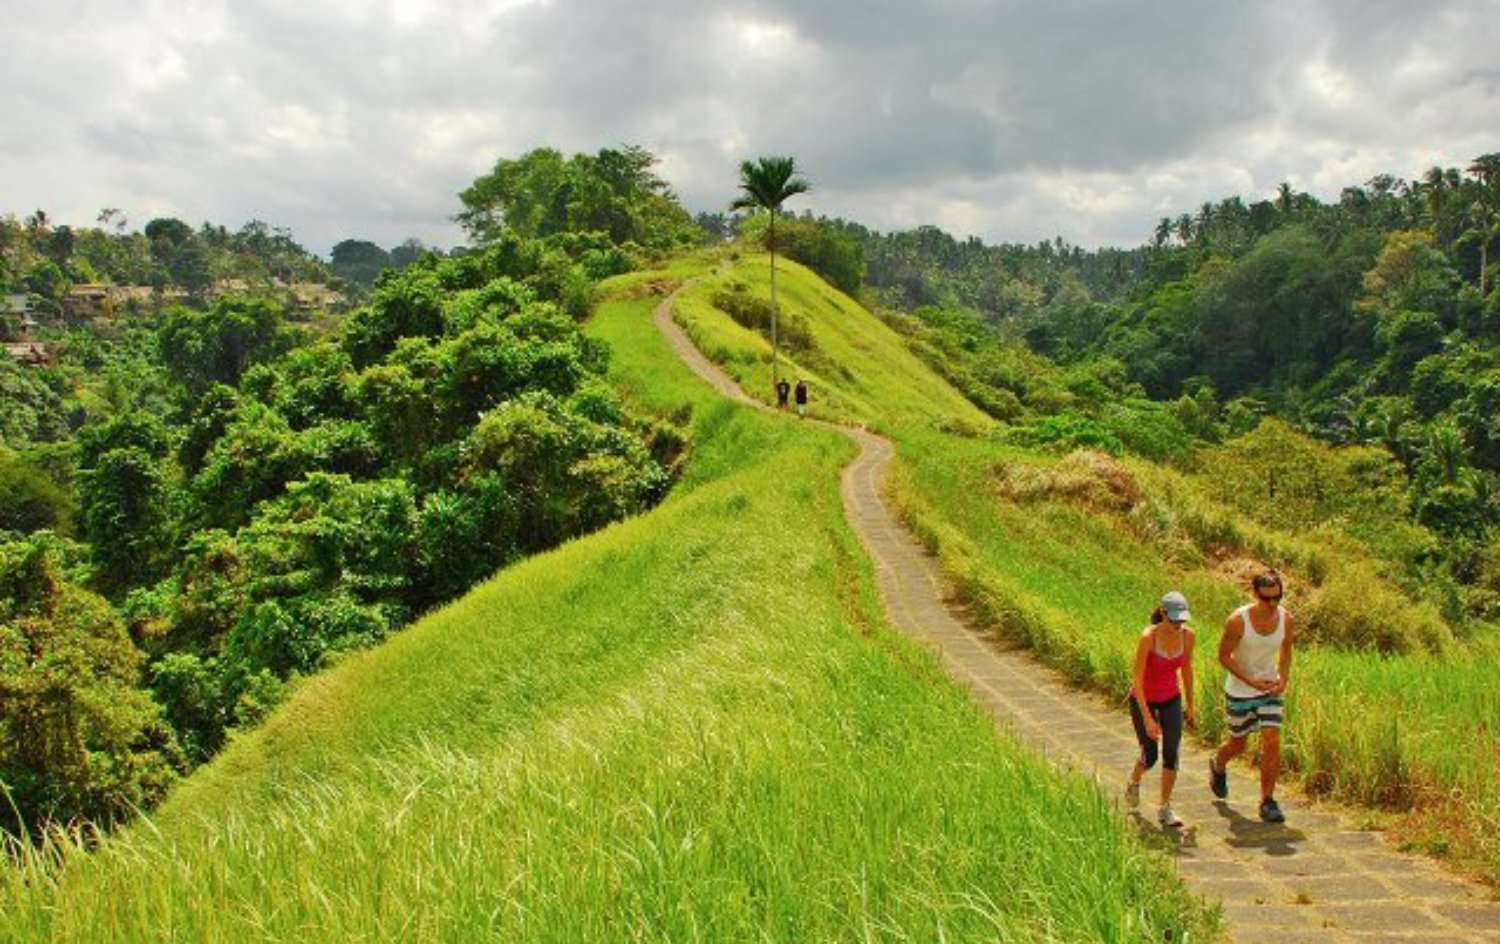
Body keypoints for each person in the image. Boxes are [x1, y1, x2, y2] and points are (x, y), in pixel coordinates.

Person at [1209, 570, 1295, 824]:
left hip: (1269, 688)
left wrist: (1283, 677)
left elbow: (1286, 652)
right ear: (1254, 594)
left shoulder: (1286, 619)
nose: (1272, 604)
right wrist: (1250, 680)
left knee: (1272, 738)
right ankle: (1218, 764)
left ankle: (1267, 801)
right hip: (1240, 689)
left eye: (1277, 598)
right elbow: (1223, 656)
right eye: (1266, 598)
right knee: (1238, 744)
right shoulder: (1238, 621)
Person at [1125, 591, 1196, 828]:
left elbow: (1186, 671)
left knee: (1172, 752)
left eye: (1181, 620)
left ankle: (1165, 807)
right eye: (1173, 619)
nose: (1178, 624)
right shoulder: (1148, 637)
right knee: (1151, 754)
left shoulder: (1188, 637)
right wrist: (1148, 719)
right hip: (1143, 699)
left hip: (1171, 698)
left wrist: (1191, 705)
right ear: (1163, 613)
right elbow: (1137, 678)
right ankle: (1135, 780)